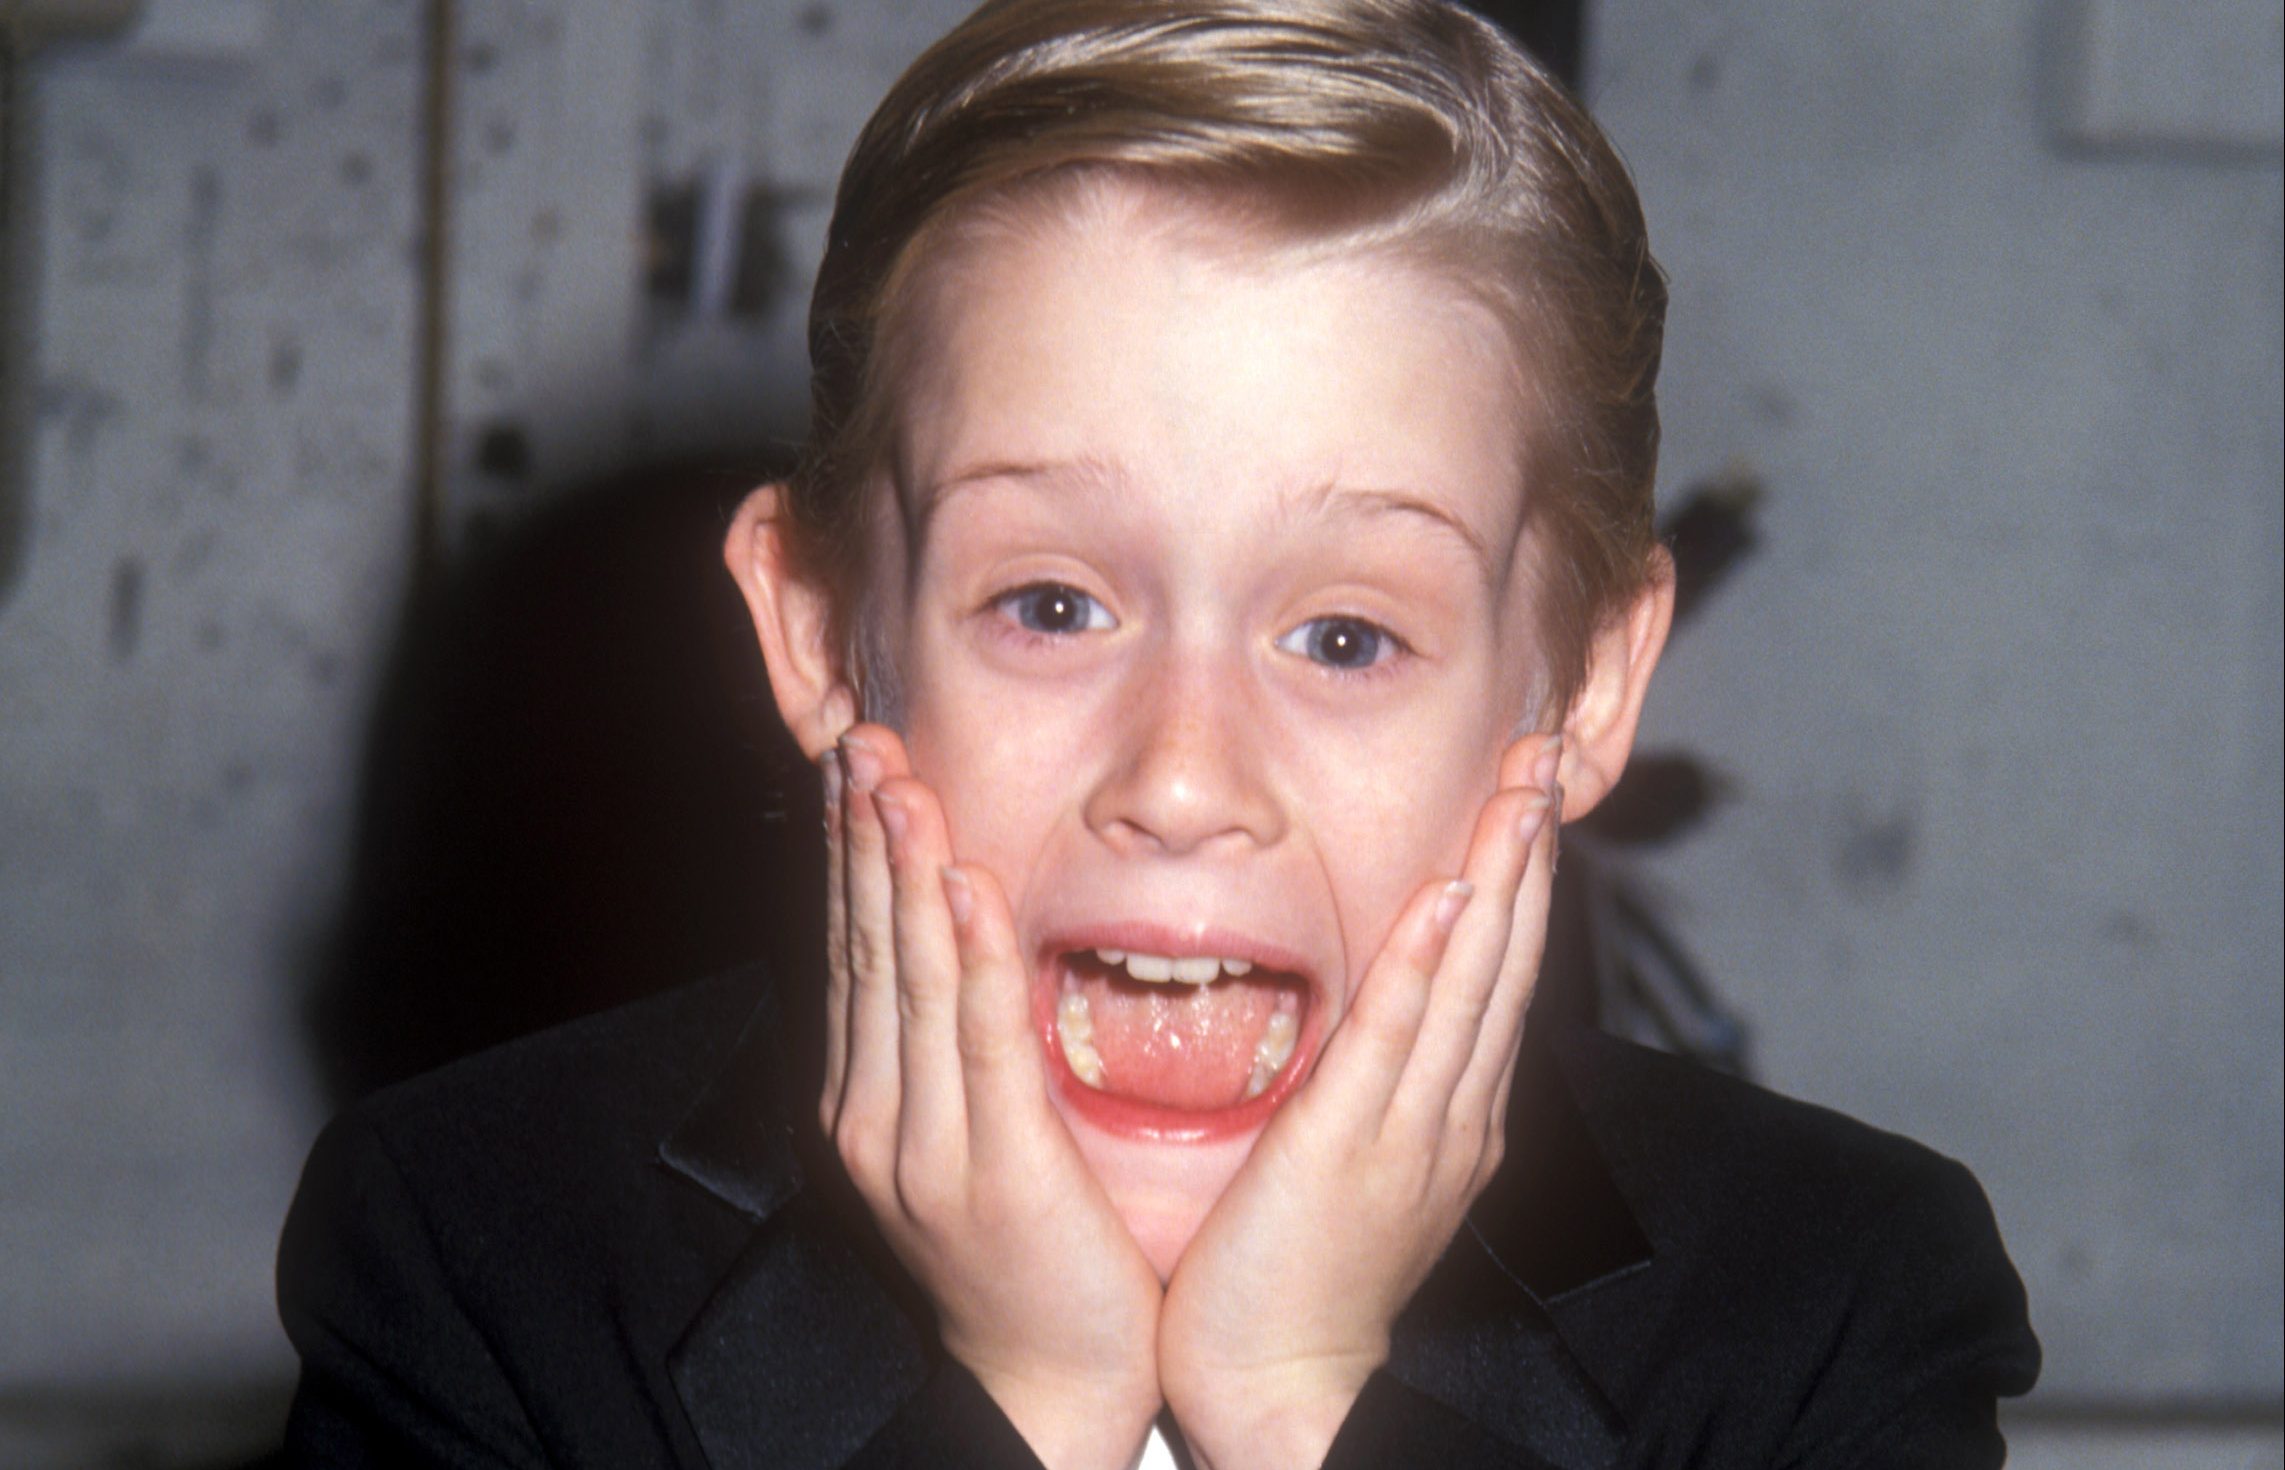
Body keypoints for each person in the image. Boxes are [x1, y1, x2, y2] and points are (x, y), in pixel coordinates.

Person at [275, 2, 2040, 1466]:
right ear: (817, 627)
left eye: (1345, 634)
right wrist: (1021, 1415)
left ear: (1580, 692)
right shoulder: (476, 1253)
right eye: (1050, 606)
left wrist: (1304, 1407)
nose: (1183, 776)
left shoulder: (1830, 1303)